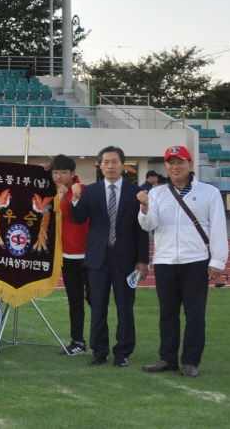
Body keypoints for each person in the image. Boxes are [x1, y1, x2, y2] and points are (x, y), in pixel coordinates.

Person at [138, 146, 228, 378]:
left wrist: (218, 260)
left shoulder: (209, 192)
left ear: (190, 164)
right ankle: (167, 358)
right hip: (166, 261)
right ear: (165, 166)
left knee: (195, 314)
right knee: (167, 313)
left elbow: (218, 228)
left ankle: (190, 361)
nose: (175, 167)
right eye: (170, 163)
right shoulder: (157, 193)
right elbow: (149, 225)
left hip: (196, 260)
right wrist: (145, 206)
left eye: (180, 162)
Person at [71, 146, 149, 368]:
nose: (110, 166)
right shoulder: (90, 191)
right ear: (99, 165)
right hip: (97, 258)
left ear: (123, 165)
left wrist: (142, 260)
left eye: (114, 162)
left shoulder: (136, 193)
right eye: (105, 162)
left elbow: (142, 229)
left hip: (126, 258)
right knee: (97, 307)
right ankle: (99, 351)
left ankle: (123, 352)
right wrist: (75, 199)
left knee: (125, 308)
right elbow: (78, 219)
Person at [49, 155, 89, 356]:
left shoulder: (83, 191)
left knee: (95, 300)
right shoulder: (52, 190)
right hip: (66, 255)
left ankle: (101, 341)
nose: (58, 176)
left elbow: (76, 220)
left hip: (87, 254)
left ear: (72, 174)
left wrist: (65, 200)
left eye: (63, 173)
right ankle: (78, 342)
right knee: (74, 300)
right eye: (55, 172)